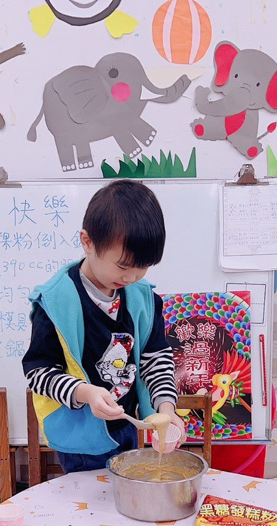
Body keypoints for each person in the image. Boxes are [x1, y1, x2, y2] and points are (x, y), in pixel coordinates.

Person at [23, 179, 186, 473]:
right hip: (79, 438)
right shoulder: (56, 302)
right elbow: (39, 374)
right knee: (89, 499)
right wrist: (86, 393)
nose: (131, 277)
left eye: (143, 267)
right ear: (87, 242)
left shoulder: (143, 298)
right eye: (123, 266)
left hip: (127, 426)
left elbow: (156, 359)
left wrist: (166, 409)